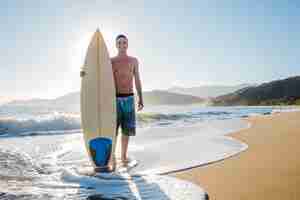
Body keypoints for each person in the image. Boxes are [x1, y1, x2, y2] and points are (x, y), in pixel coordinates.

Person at [110, 34, 144, 170]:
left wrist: (140, 97)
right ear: (116, 45)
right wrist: (84, 73)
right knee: (113, 130)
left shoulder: (134, 61)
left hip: (129, 98)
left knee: (126, 131)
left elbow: (137, 79)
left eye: (124, 42)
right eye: (119, 43)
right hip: (115, 98)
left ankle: (123, 157)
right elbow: (103, 78)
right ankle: (112, 157)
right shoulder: (111, 61)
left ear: (127, 44)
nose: (122, 45)